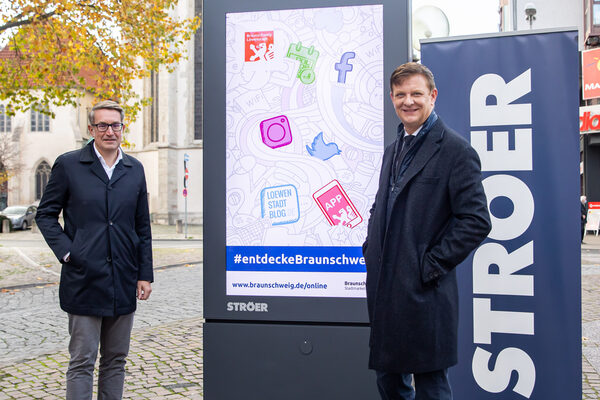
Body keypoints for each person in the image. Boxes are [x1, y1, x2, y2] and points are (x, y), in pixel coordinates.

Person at [362, 62, 491, 400]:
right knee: (389, 383)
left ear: (432, 96)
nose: (409, 101)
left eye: (416, 94)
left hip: (424, 293)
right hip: (385, 290)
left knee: (431, 387)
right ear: (392, 98)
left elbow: (476, 220)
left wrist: (429, 264)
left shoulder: (455, 150)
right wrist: (369, 247)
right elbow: (382, 203)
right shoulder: (394, 149)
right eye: (401, 94)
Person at [35, 100, 153, 400]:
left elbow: (142, 227)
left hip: (123, 278)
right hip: (84, 278)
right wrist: (68, 252)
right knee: (82, 361)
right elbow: (45, 214)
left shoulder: (134, 169)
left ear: (123, 129)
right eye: (102, 125)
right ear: (91, 129)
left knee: (115, 360)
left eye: (115, 125)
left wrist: (144, 274)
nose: (109, 131)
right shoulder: (69, 165)